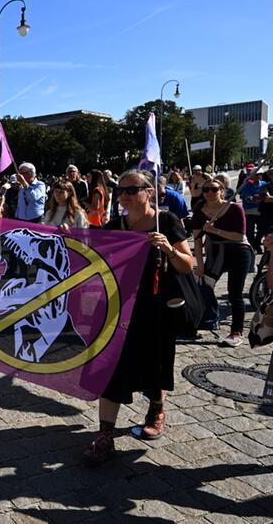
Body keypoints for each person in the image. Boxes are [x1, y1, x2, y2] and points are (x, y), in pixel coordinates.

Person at [83, 171, 193, 465]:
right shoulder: (114, 225)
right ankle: (105, 434)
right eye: (121, 189)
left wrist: (168, 249)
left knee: (154, 362)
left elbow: (187, 266)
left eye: (132, 189)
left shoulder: (166, 222)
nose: (125, 194)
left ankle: (156, 408)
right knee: (111, 367)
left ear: (149, 191)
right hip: (119, 306)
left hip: (155, 307)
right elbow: (95, 260)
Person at [191, 178, 251, 347]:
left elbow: (239, 236)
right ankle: (207, 320)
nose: (210, 192)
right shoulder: (199, 212)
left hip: (238, 251)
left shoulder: (234, 208)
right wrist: (200, 265)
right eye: (206, 189)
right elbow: (196, 240)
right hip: (216, 252)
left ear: (222, 191)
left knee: (234, 293)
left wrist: (214, 230)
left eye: (214, 189)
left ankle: (236, 332)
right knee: (203, 286)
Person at [238, 166, 267, 252]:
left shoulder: (264, 184)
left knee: (261, 230)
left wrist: (259, 198)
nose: (259, 176)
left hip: (261, 211)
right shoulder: (246, 185)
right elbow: (247, 198)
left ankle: (256, 244)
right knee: (249, 232)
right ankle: (252, 247)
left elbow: (265, 197)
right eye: (257, 174)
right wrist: (260, 198)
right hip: (249, 212)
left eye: (260, 174)